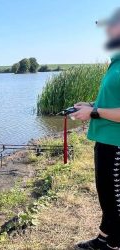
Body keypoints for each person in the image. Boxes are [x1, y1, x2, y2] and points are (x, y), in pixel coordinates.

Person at [72, 8, 120, 250]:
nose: (108, 30)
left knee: (115, 200)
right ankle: (104, 238)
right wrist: (92, 104)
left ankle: (113, 244)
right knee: (107, 196)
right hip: (106, 140)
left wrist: (94, 112)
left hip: (117, 143)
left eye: (112, 25)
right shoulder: (116, 62)